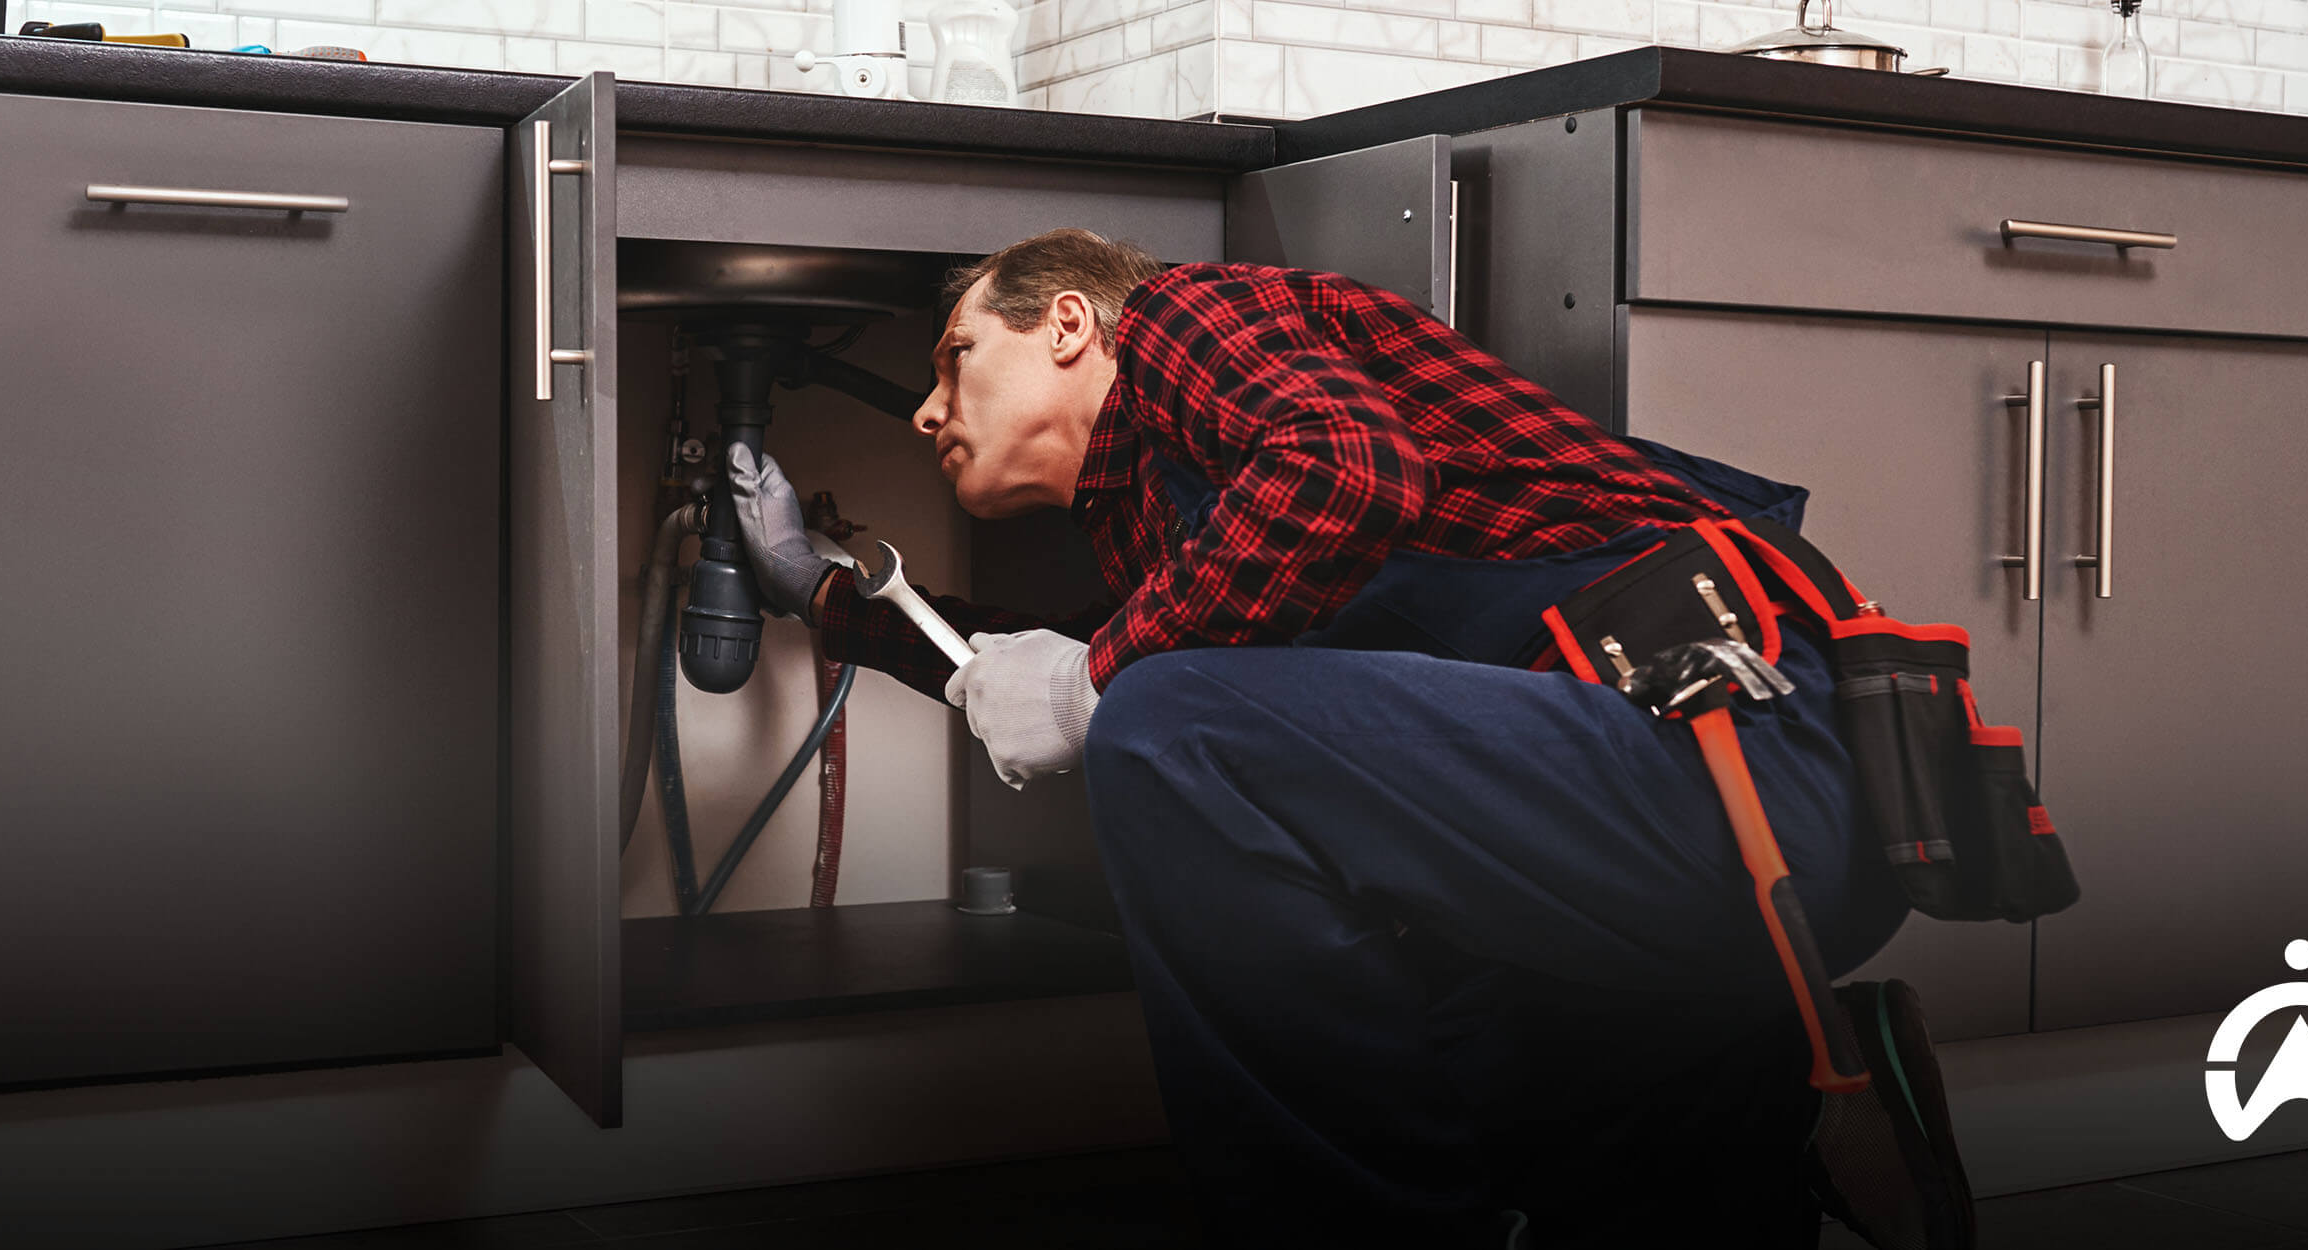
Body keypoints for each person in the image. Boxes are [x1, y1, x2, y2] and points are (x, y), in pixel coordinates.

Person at [726, 228, 1913, 1248]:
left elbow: (1344, 467)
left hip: (1729, 755)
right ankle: (1768, 1106)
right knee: (1521, 1124)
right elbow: (1078, 661)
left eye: (957, 354)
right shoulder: (1168, 528)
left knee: (1166, 724)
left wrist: (1095, 685)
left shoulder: (1183, 318)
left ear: (1070, 324)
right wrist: (823, 597)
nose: (928, 405)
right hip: (1616, 861)